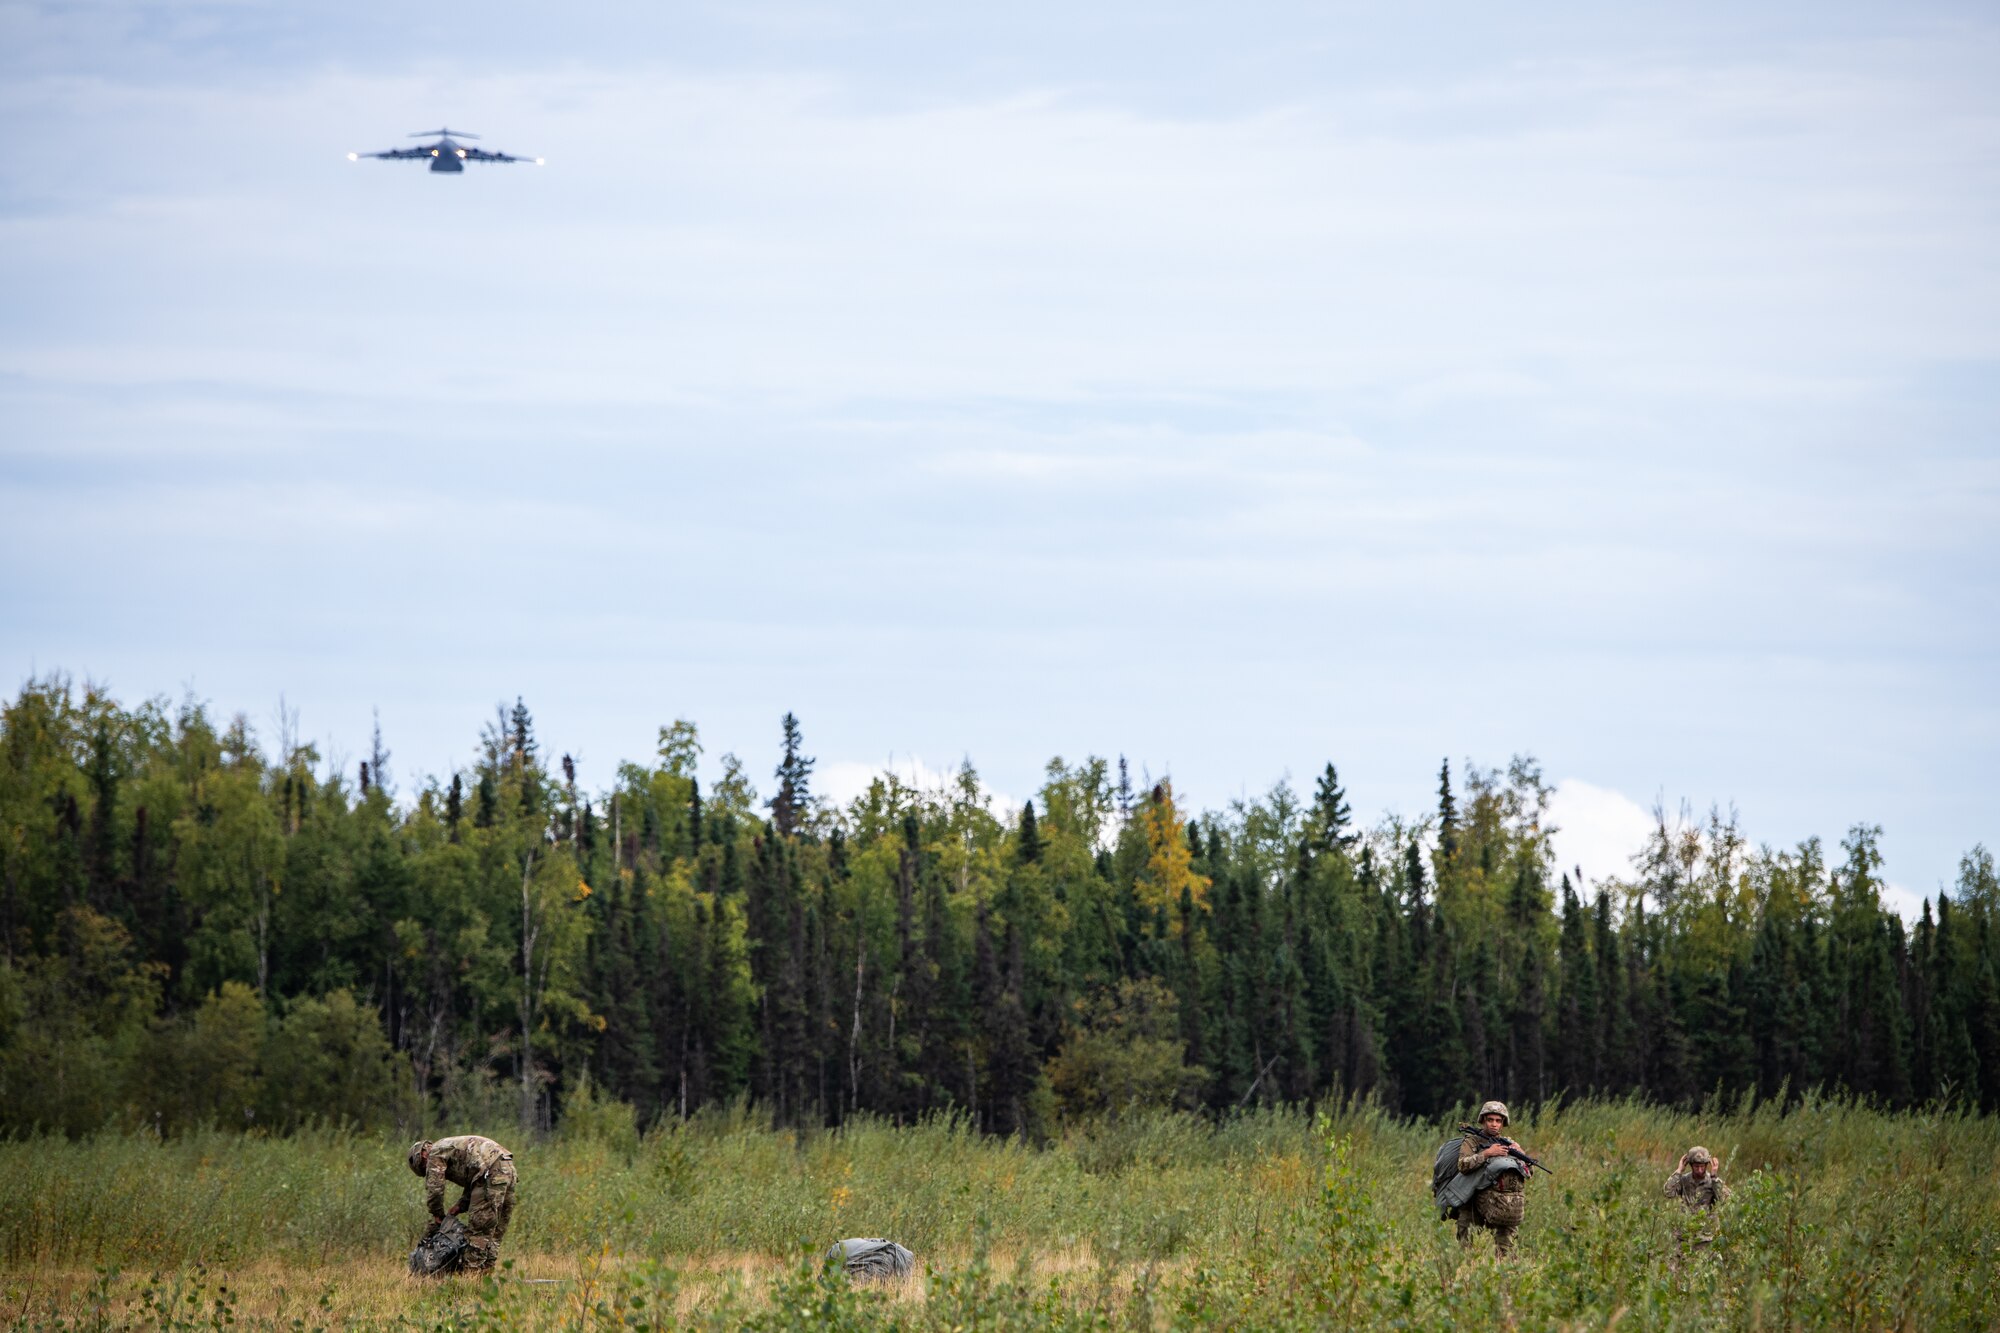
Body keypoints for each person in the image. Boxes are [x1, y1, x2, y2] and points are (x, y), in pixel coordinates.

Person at [408, 1136, 516, 1273]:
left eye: (425, 1170)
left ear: (422, 1156)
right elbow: (475, 1181)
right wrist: (459, 1207)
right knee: (494, 1234)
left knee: (478, 1231)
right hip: (507, 1168)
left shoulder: (434, 1153)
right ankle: (486, 1276)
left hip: (491, 1172)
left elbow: (435, 1189)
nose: (427, 1170)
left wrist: (438, 1214)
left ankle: (471, 1278)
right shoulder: (447, 1146)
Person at [1454, 1100, 1529, 1255]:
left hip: (1502, 1203)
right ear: (1483, 1121)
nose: (1494, 1124)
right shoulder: (1472, 1141)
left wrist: (1521, 1154)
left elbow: (1528, 1172)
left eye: (1498, 1121)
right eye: (1490, 1120)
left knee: (1506, 1252)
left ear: (1503, 1123)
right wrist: (1487, 1153)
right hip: (1473, 1201)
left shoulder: (1509, 1144)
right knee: (1466, 1248)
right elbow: (1462, 1165)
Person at [1664, 1145, 1728, 1210]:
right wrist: (1679, 1171)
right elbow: (1668, 1193)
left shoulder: (1713, 1182)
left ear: (1706, 1165)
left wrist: (1714, 1177)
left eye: (1702, 1166)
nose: (1699, 1170)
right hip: (1687, 1219)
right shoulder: (1684, 1180)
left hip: (1706, 1219)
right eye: (1696, 1167)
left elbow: (1725, 1201)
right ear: (1691, 1166)